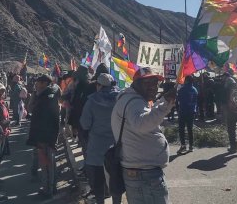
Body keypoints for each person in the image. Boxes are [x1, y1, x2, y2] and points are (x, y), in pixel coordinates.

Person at [111, 67, 176, 204]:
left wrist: (163, 102)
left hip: (139, 173)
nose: (153, 87)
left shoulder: (131, 100)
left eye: (155, 83)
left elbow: (143, 118)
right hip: (145, 176)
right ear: (136, 84)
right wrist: (164, 106)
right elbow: (141, 124)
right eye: (148, 83)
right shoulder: (134, 102)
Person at [80, 73, 121, 204]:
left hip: (97, 147)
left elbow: (85, 123)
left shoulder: (92, 101)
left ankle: (100, 201)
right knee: (115, 180)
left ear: (99, 85)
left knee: (98, 180)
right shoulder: (120, 99)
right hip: (117, 146)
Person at [26, 75, 61, 200]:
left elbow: (38, 118)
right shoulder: (52, 93)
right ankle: (52, 187)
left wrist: (40, 142)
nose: (35, 84)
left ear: (44, 83)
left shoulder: (45, 98)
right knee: (51, 163)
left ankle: (48, 190)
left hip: (44, 136)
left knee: (46, 164)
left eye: (38, 82)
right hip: (50, 135)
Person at [176, 75, 198, 154]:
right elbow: (196, 101)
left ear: (187, 81)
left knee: (181, 129)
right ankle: (191, 146)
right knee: (190, 129)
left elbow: (178, 100)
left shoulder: (182, 89)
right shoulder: (195, 90)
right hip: (191, 111)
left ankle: (183, 146)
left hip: (183, 111)